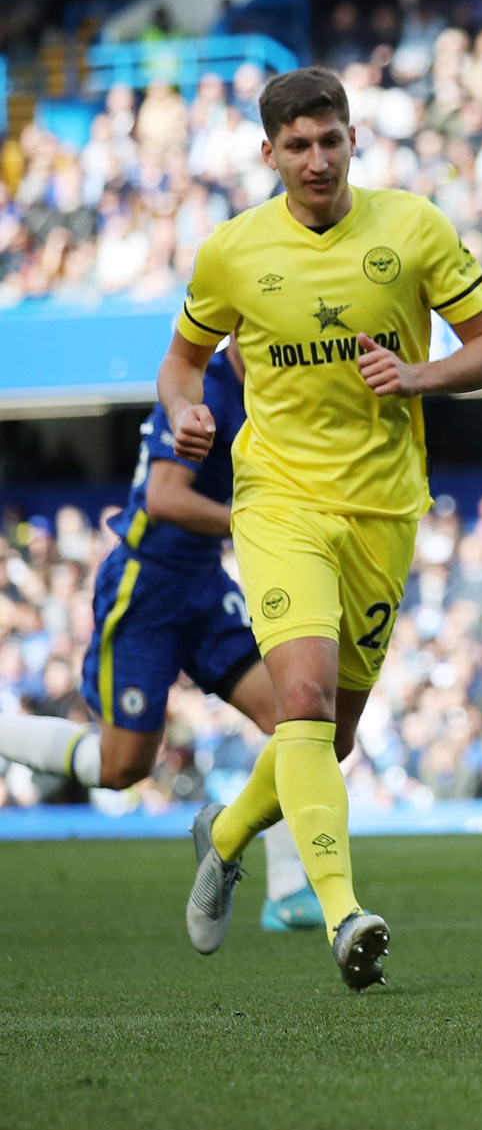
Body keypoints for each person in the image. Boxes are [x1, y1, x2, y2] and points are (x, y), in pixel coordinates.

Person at [164, 67, 482, 989]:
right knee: (304, 705)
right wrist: (185, 415)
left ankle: (227, 832)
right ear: (268, 152)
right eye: (299, 146)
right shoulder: (234, 252)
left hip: (386, 509)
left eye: (333, 141)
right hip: (278, 501)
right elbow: (180, 364)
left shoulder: (412, 228)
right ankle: (342, 916)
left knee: (334, 735)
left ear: (353, 139)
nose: (318, 160)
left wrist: (417, 376)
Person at [0, 343, 322, 933]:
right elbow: (164, 497)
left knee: (292, 719)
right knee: (123, 767)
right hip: (146, 587)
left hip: (202, 581)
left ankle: (285, 891)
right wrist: (259, 523)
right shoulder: (205, 385)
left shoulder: (279, 388)